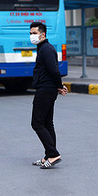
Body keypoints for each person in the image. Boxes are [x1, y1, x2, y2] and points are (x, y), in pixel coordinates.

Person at [29, 21, 67, 169]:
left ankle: (53, 154)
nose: (32, 36)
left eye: (34, 33)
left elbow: (54, 71)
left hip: (45, 90)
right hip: (48, 89)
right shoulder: (44, 48)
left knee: (36, 123)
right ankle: (48, 156)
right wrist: (58, 86)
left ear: (42, 34)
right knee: (47, 123)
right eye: (31, 33)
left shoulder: (46, 49)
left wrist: (59, 85)